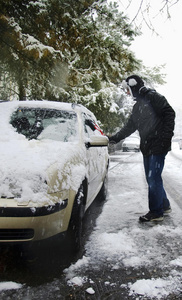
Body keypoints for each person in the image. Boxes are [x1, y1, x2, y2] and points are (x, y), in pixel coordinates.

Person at [108, 75, 175, 222]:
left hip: (158, 144)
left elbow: (170, 113)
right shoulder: (137, 106)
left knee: (153, 178)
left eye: (127, 90)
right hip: (147, 146)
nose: (126, 93)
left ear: (133, 86)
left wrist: (165, 137)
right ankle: (164, 205)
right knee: (152, 178)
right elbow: (130, 127)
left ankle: (156, 213)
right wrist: (114, 138)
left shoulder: (153, 97)